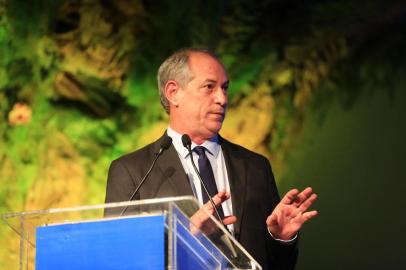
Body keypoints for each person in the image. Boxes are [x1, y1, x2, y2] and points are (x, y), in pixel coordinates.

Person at [105, 48, 318, 269]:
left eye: (225, 88)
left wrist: (280, 238)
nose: (222, 99)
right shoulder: (132, 171)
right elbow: (118, 258)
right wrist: (185, 240)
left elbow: (277, 266)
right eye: (209, 87)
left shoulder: (256, 167)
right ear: (173, 92)